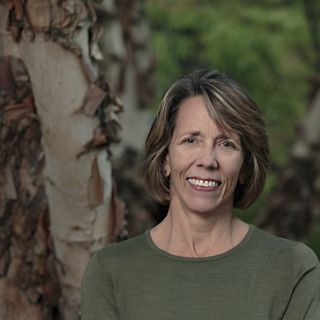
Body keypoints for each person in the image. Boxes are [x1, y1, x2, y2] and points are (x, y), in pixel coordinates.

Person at [81, 69, 320, 320]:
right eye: (191, 140)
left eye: (226, 144)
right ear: (165, 159)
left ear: (245, 167)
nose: (207, 160)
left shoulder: (292, 267)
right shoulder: (110, 272)